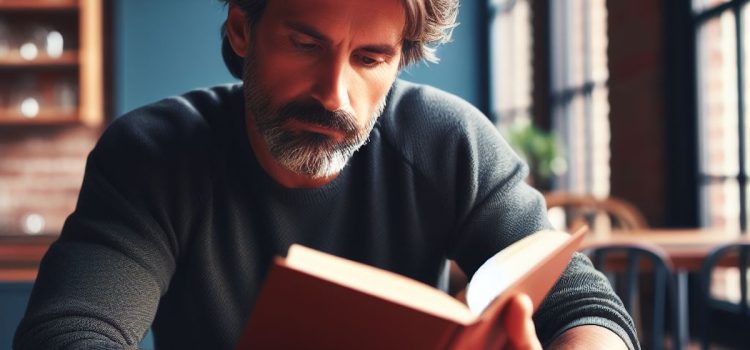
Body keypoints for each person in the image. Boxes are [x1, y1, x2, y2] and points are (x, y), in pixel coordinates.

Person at [14, 0, 639, 349]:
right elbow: (70, 331)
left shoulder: (449, 143)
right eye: (306, 44)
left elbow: (584, 306)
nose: (333, 93)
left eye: (371, 58)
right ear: (242, 28)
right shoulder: (153, 154)